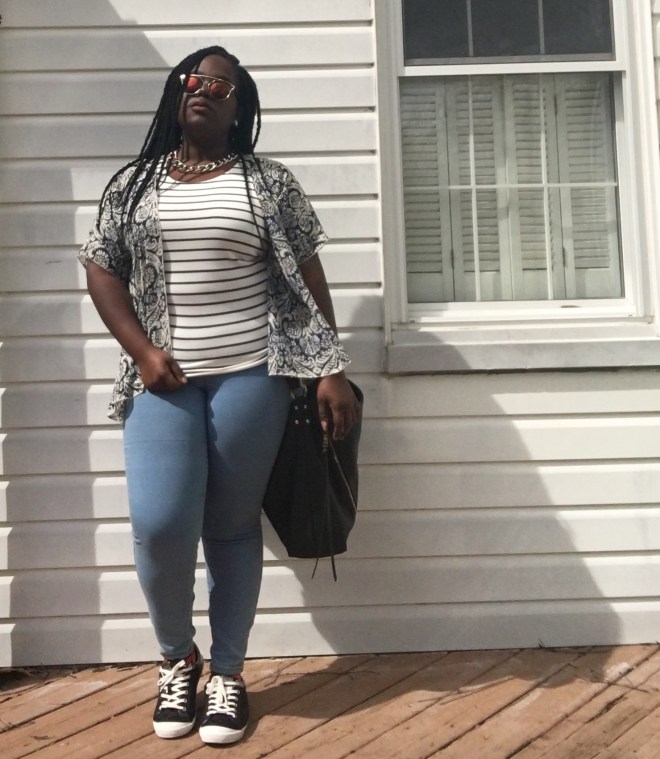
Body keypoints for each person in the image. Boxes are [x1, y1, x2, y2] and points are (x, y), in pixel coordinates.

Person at [79, 45, 361, 746]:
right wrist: (143, 352)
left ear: (239, 108)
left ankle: (229, 673)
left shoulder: (269, 182)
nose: (201, 90)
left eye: (219, 86)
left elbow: (307, 274)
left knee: (231, 527)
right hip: (163, 380)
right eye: (191, 80)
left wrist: (329, 366)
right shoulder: (133, 185)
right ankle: (178, 658)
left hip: (252, 375)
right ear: (175, 96)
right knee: (160, 523)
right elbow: (101, 268)